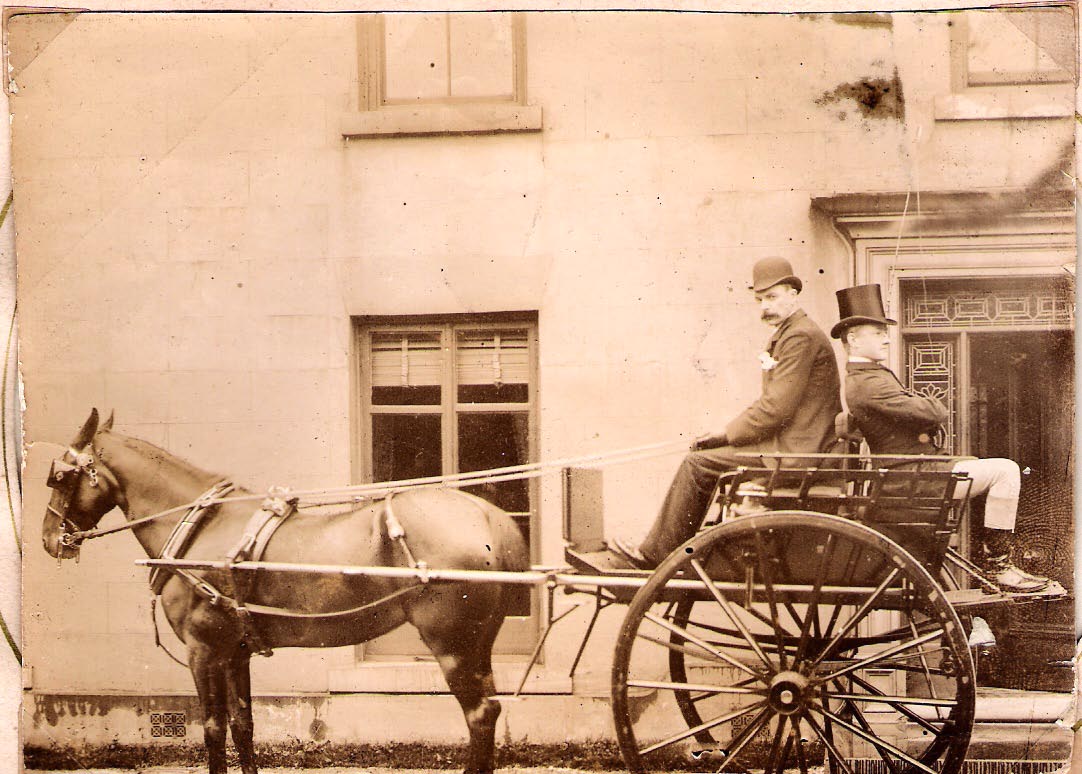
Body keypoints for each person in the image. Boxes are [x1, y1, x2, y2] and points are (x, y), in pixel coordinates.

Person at [609, 257, 842, 570]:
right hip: (792, 445)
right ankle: (675, 546)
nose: (765, 308)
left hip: (797, 452)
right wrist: (725, 434)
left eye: (772, 298)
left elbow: (775, 409)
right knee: (706, 457)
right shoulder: (789, 333)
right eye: (759, 300)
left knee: (698, 464)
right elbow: (772, 402)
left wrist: (725, 434)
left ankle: (660, 554)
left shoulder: (800, 336)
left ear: (793, 294)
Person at [832, 283, 1049, 593]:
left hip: (915, 473)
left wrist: (924, 407)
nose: (885, 337)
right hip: (912, 480)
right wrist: (931, 405)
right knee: (1006, 471)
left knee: (984, 470)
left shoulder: (870, 376)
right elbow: (933, 412)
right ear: (853, 338)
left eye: (884, 330)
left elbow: (919, 410)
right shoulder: (867, 384)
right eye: (876, 331)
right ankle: (999, 564)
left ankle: (996, 560)